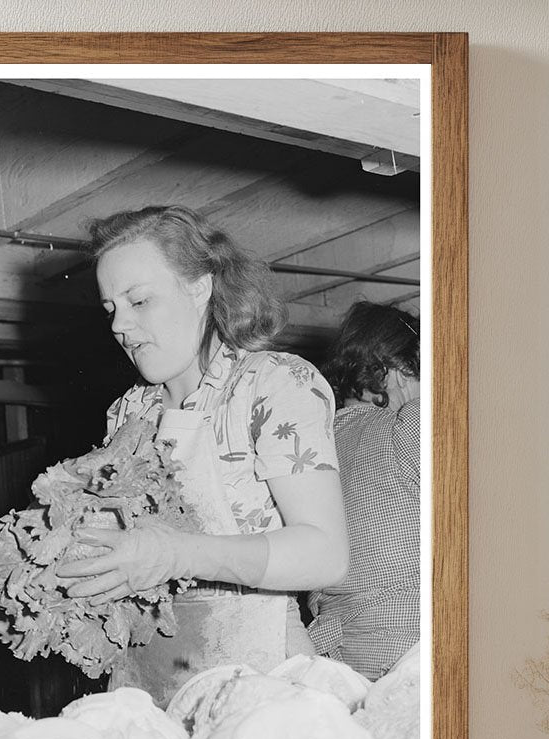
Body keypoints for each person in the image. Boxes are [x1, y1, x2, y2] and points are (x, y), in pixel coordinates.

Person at [55, 205, 349, 706]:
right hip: (142, 685)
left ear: (200, 287)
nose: (120, 326)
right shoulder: (129, 412)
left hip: (256, 683)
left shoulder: (270, 384)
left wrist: (175, 554)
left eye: (139, 300)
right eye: (111, 309)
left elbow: (326, 555)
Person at [306, 300, 421, 681]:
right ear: (399, 372)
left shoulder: (312, 449)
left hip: (334, 664)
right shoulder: (411, 422)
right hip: (407, 653)